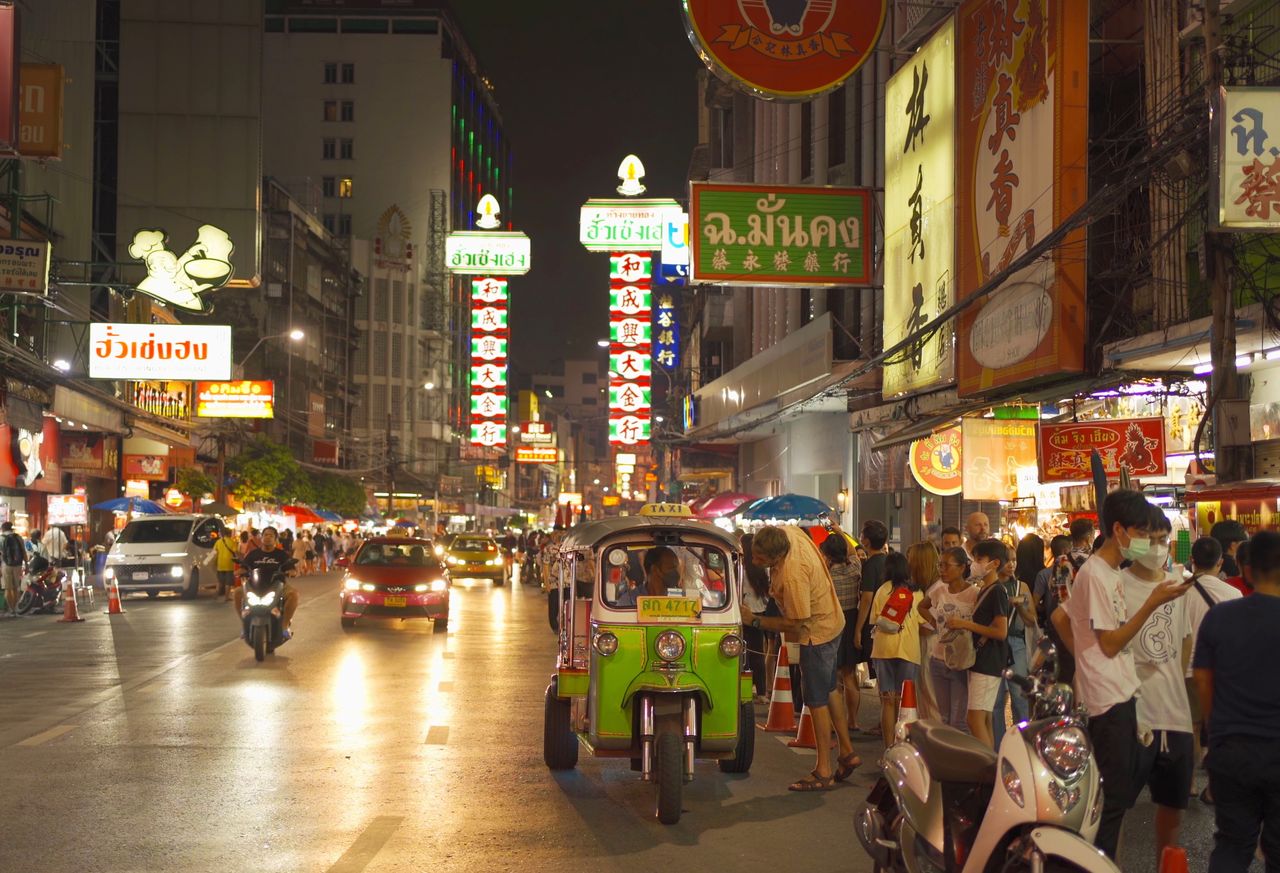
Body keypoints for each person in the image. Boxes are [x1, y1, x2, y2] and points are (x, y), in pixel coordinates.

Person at [1051, 489, 1191, 860]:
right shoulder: (1096, 573)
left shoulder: (1109, 571)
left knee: (1116, 800)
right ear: (1119, 530)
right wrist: (1153, 603)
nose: (1148, 543)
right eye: (1143, 533)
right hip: (1107, 701)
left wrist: (1084, 659)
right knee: (1111, 804)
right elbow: (1110, 643)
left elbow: (1082, 631)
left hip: (1120, 694)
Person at [1193, 528, 1280, 873]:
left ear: (1246, 571)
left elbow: (1203, 681)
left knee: (1232, 843)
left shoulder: (1220, 617)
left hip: (1232, 752)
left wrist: (1218, 733)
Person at [747, 524, 858, 790]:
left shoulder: (793, 575)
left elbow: (796, 624)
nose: (755, 561)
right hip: (834, 622)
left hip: (816, 634)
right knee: (830, 689)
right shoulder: (789, 533)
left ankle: (823, 770)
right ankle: (847, 752)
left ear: (776, 557)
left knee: (816, 700)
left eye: (760, 559)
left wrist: (756, 621)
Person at [1117, 505, 1195, 867]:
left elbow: (1186, 640)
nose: (1158, 547)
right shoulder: (1114, 582)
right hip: (1131, 714)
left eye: (1163, 540)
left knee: (1172, 809)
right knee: (1115, 808)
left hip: (1174, 715)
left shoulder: (1181, 581)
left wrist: (1175, 676)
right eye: (1150, 539)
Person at [1184, 535, 1241, 804]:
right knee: (1219, 730)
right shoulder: (1233, 594)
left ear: (1192, 561)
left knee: (1193, 729)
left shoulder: (1179, 591)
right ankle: (1217, 786)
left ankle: (1190, 784)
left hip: (1188, 670)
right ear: (1220, 562)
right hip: (1222, 671)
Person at [948, 538, 1011, 748]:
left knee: (974, 717)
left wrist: (965, 625)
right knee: (983, 718)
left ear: (994, 563)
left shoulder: (997, 591)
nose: (974, 563)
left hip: (989, 660)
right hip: (984, 659)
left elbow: (1001, 632)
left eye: (979, 559)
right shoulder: (987, 589)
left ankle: (989, 769)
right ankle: (990, 768)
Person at [869, 550, 926, 743]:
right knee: (906, 702)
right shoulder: (916, 592)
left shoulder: (882, 590)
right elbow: (921, 621)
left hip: (883, 648)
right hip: (908, 650)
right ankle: (906, 746)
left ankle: (889, 747)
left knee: (888, 701)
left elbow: (875, 619)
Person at [920, 546, 977, 731]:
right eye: (940, 565)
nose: (942, 570)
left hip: (962, 662)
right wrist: (935, 622)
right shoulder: (939, 590)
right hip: (938, 658)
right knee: (944, 717)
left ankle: (962, 757)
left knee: (959, 720)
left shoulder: (974, 594)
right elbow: (922, 606)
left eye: (946, 566)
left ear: (962, 568)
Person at [992, 535, 1041, 748]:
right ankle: (999, 746)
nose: (1011, 564)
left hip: (1017, 644)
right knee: (995, 701)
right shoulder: (991, 587)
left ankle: (1023, 745)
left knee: (1019, 696)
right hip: (995, 644)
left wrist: (1020, 606)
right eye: (1007, 560)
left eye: (1014, 560)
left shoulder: (1022, 587)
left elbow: (1032, 620)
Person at [821, 533, 863, 733]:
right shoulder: (855, 568)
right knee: (850, 674)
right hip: (853, 621)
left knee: (834, 677)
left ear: (827, 554)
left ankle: (833, 722)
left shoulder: (827, 576)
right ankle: (853, 720)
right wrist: (837, 529)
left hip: (834, 624)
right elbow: (853, 551)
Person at [852, 519, 890, 714]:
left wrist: (858, 629)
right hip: (890, 622)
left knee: (880, 673)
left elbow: (866, 599)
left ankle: (886, 719)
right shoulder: (889, 562)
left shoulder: (870, 565)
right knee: (886, 675)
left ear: (865, 541)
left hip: (873, 624)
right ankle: (887, 717)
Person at [233, 527, 300, 634]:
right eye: (265, 535)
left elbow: (292, 569)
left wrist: (292, 572)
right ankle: (244, 625)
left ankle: (284, 626)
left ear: (275, 539)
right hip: (254, 586)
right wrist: (239, 571)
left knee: (294, 594)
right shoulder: (253, 554)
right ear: (261, 537)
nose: (268, 537)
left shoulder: (281, 554)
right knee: (237, 592)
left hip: (278, 586)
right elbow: (244, 567)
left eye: (271, 535)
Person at [740, 534, 774, 702]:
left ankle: (745, 689)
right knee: (758, 653)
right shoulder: (762, 569)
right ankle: (761, 692)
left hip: (743, 613)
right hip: (759, 613)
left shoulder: (739, 568)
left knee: (743, 653)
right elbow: (767, 593)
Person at [1035, 534, 1072, 625]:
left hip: (1052, 623)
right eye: (1071, 550)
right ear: (1065, 551)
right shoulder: (1074, 572)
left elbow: (1035, 602)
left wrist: (1046, 607)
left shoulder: (1043, 574)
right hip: (1070, 622)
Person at [1, 521, 25, 616]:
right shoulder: (18, 537)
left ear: (3, 528)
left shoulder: (1, 538)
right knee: (16, 588)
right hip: (18, 565)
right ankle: (15, 609)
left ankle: (11, 609)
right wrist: (26, 564)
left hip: (5, 565)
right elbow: (23, 551)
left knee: (8, 588)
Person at [213, 528, 238, 600]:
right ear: (229, 534)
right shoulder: (232, 542)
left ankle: (217, 593)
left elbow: (214, 552)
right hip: (229, 564)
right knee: (228, 582)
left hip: (220, 564)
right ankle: (226, 597)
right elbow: (236, 552)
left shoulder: (218, 542)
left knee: (220, 581)